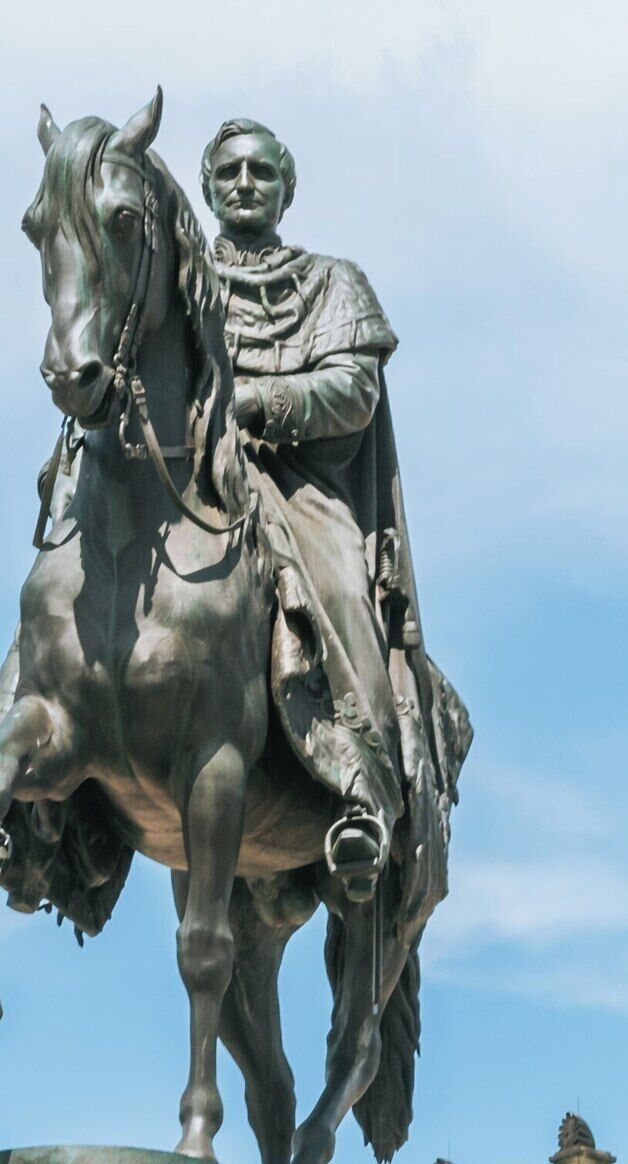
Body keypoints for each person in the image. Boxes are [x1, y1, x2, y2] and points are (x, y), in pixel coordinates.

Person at [197, 119, 456, 903]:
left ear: (287, 189)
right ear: (208, 186)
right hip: (192, 475)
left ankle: (361, 788)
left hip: (301, 484)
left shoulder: (334, 282)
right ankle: (46, 815)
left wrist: (256, 400)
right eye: (231, 171)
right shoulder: (175, 278)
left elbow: (354, 390)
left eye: (262, 173)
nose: (245, 183)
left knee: (341, 588)